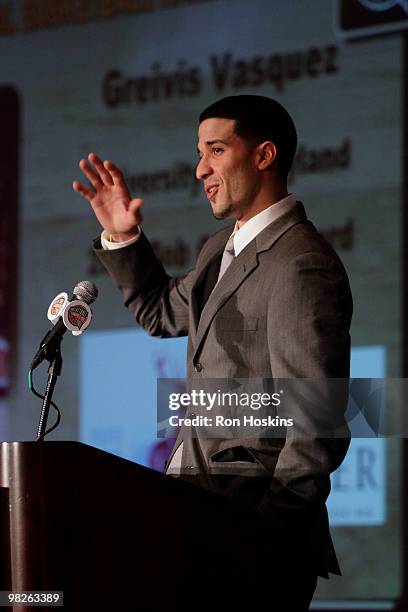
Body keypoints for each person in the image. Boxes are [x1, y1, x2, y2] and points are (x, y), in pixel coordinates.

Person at [73, 95, 353, 610]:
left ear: (264, 155)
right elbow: (161, 313)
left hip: (249, 539)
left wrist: (268, 531)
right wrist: (122, 234)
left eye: (216, 150)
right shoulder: (220, 248)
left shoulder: (300, 263)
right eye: (200, 153)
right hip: (200, 523)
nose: (200, 168)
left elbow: (317, 417)